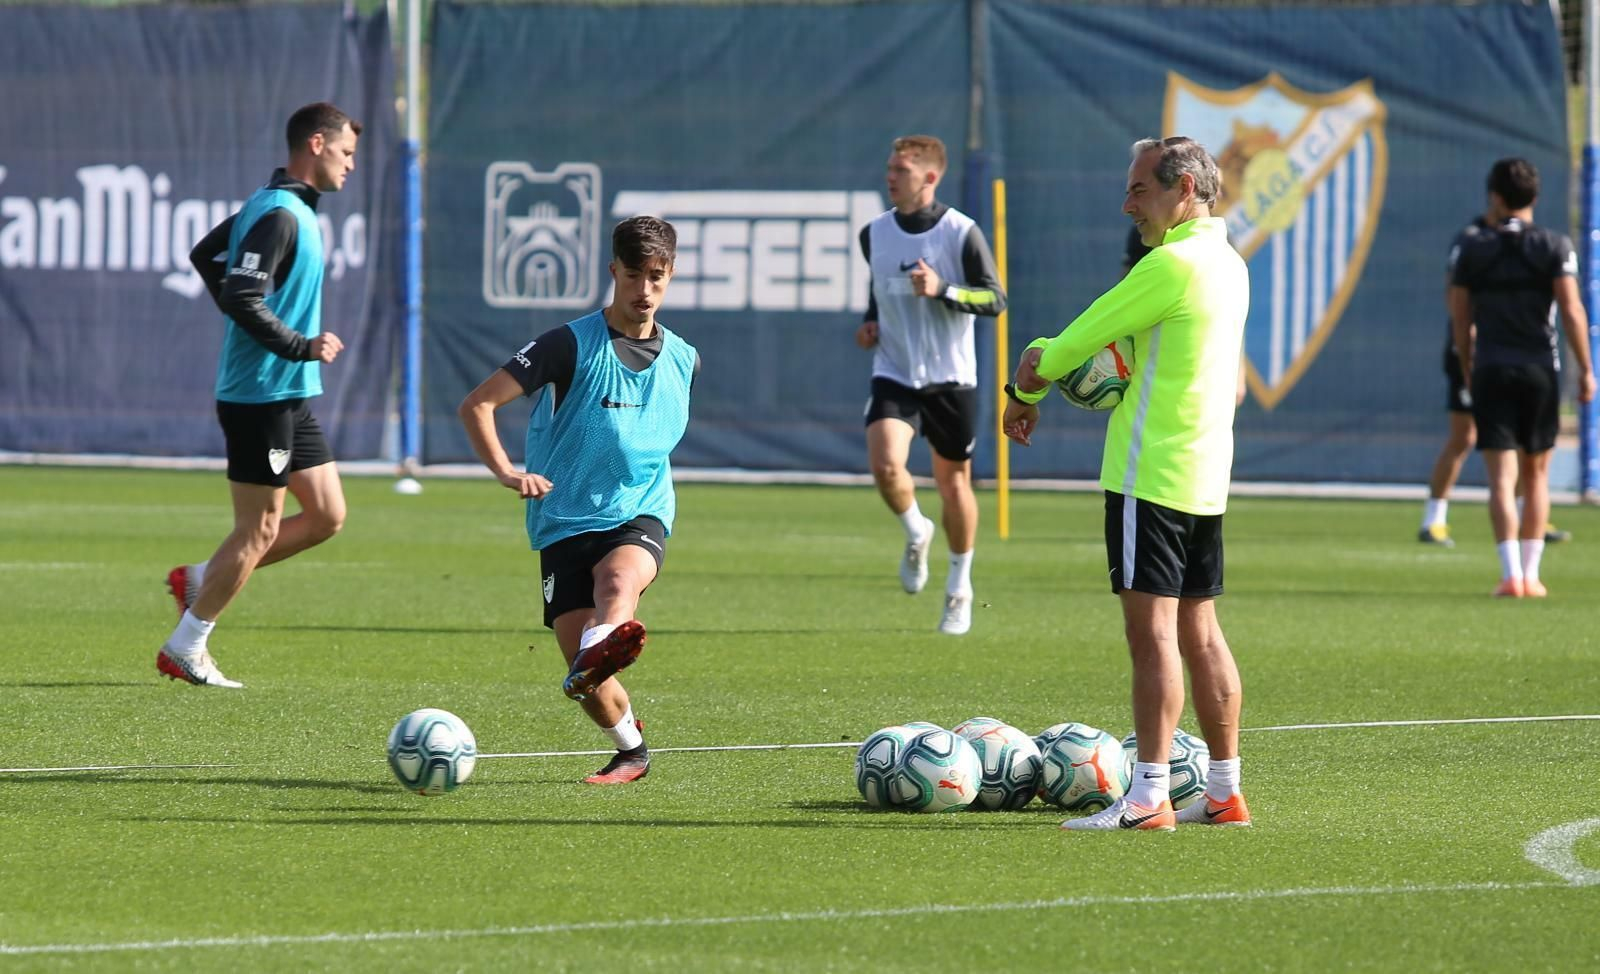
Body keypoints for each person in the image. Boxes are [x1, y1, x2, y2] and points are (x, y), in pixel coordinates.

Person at [1003, 137, 1251, 831]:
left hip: (1151, 479)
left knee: (1153, 639)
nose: (1127, 204)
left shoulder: (1169, 265)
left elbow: (1066, 346)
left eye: (1140, 189)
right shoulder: (1228, 263)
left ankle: (1147, 798)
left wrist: (1023, 387)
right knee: (1201, 633)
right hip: (1205, 478)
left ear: (1185, 191)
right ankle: (1226, 791)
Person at [457, 216, 699, 784]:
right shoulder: (566, 345)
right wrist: (506, 472)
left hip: (638, 512)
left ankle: (604, 640)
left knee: (617, 585)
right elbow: (477, 405)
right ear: (613, 271)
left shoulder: (685, 359)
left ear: (672, 276)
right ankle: (630, 748)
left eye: (657, 277)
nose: (644, 291)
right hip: (562, 517)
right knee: (581, 675)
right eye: (634, 275)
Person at [158, 102, 361, 688]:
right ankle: (186, 645)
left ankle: (201, 579)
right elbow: (245, 297)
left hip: (289, 394)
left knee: (327, 516)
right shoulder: (279, 215)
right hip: (261, 396)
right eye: (346, 152)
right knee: (259, 530)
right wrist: (301, 345)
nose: (351, 164)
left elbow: (205, 256)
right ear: (317, 144)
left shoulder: (284, 206)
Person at [855, 135, 1006, 636]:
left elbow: (994, 299)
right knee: (885, 465)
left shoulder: (960, 231)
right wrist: (871, 321)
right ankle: (916, 529)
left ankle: (959, 586)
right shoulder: (873, 233)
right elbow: (881, 289)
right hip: (895, 370)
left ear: (930, 177)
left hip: (951, 377)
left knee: (953, 483)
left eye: (900, 169)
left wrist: (944, 289)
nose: (890, 176)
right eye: (889, 167)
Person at [1448, 158, 1596, 597]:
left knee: (1500, 477)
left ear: (1495, 196)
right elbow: (1571, 310)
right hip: (1539, 368)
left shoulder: (1474, 247)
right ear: (1535, 196)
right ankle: (1532, 575)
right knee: (1537, 475)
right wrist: (1587, 368)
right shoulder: (1553, 245)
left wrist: (1467, 363)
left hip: (1492, 367)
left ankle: (1509, 573)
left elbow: (1460, 314)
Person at [1420, 215, 1573, 548]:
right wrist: (1468, 343)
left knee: (1523, 444)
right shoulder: (1473, 239)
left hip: (1509, 358)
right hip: (1475, 352)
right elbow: (1455, 295)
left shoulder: (1529, 243)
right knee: (1464, 436)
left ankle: (1528, 517)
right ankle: (1434, 518)